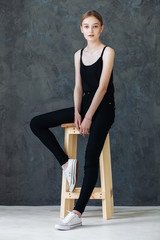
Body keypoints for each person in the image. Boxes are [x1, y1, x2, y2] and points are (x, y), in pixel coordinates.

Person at [30, 10, 116, 230]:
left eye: (95, 26)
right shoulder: (78, 54)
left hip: (103, 108)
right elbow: (78, 87)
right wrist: (78, 111)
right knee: (36, 123)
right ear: (81, 29)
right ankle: (66, 163)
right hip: (84, 106)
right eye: (86, 26)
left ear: (101, 28)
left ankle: (77, 213)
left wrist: (88, 117)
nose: (91, 30)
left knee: (90, 156)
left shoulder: (108, 52)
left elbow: (103, 87)